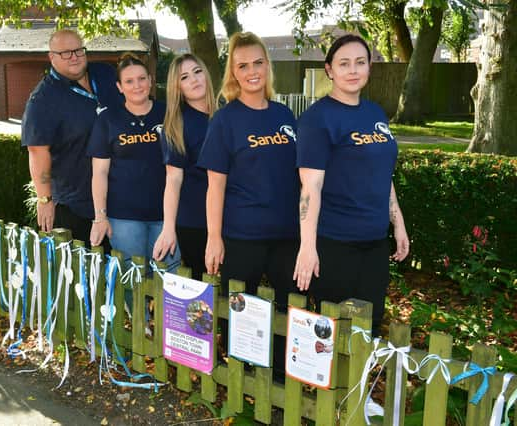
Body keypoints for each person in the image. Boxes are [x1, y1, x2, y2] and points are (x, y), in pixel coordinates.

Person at [293, 34, 410, 337]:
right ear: (329, 69)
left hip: (374, 242)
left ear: (369, 67)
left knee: (367, 327)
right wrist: (307, 247)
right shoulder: (317, 119)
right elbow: (310, 189)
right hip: (335, 244)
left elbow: (383, 173)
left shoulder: (374, 113)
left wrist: (398, 223)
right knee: (334, 330)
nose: (353, 70)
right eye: (344, 63)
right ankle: (330, 387)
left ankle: (356, 385)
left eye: (360, 62)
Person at [198, 32, 299, 376]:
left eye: (258, 63)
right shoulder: (225, 121)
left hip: (288, 235)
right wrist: (214, 237)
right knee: (243, 312)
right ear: (233, 73)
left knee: (290, 310)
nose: (252, 71)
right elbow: (215, 186)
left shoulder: (285, 115)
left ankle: (282, 379)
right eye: (243, 65)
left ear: (267, 66)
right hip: (243, 235)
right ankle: (243, 382)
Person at [22, 29, 122, 246]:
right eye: (66, 53)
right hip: (77, 204)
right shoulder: (42, 99)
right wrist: (45, 199)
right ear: (52, 57)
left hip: (121, 194)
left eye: (78, 50)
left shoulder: (105, 74)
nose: (74, 56)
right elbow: (37, 152)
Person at [88, 53, 180, 271]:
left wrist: (171, 223)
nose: (137, 85)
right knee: (132, 284)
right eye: (129, 81)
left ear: (150, 80)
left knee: (169, 282)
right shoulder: (108, 119)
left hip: (165, 217)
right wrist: (100, 217)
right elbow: (99, 173)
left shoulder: (168, 113)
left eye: (141, 79)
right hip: (123, 219)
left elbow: (176, 171)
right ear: (119, 87)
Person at [152, 54, 216, 281]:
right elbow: (173, 179)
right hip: (195, 221)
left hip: (235, 218)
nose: (194, 80)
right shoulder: (177, 124)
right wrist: (169, 228)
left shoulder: (227, 115)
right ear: (177, 87)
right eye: (185, 77)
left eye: (197, 72)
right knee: (205, 289)